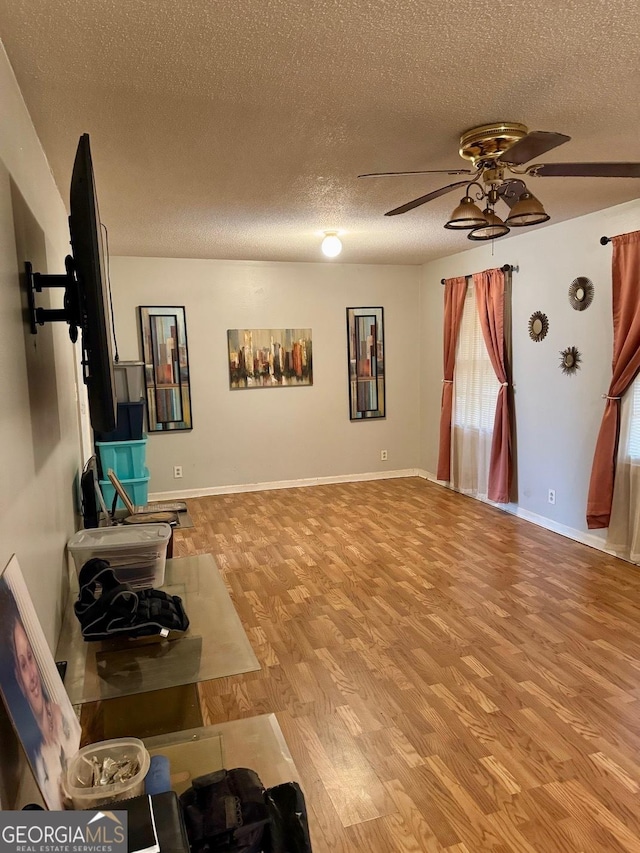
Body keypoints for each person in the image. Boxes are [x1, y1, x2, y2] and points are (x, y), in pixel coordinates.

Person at [0, 579, 76, 809]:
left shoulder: (63, 722)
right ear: (18, 681)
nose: (32, 674)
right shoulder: (40, 760)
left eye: (30, 659)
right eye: (23, 665)